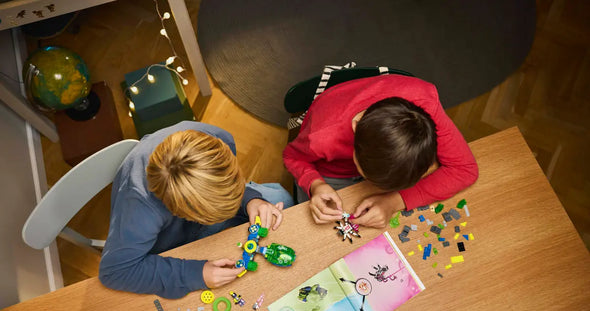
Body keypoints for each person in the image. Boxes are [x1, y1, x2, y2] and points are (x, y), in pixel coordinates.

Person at [99, 121, 293, 299]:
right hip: (168, 238)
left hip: (197, 205)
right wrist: (196, 274)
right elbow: (115, 271)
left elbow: (224, 183)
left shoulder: (215, 140)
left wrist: (250, 199)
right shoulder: (139, 211)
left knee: (280, 199)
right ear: (180, 212)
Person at [283, 74, 478, 228]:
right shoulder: (321, 137)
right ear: (356, 127)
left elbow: (464, 169)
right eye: (364, 173)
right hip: (329, 171)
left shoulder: (424, 102)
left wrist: (394, 201)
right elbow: (292, 157)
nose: (369, 184)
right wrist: (315, 185)